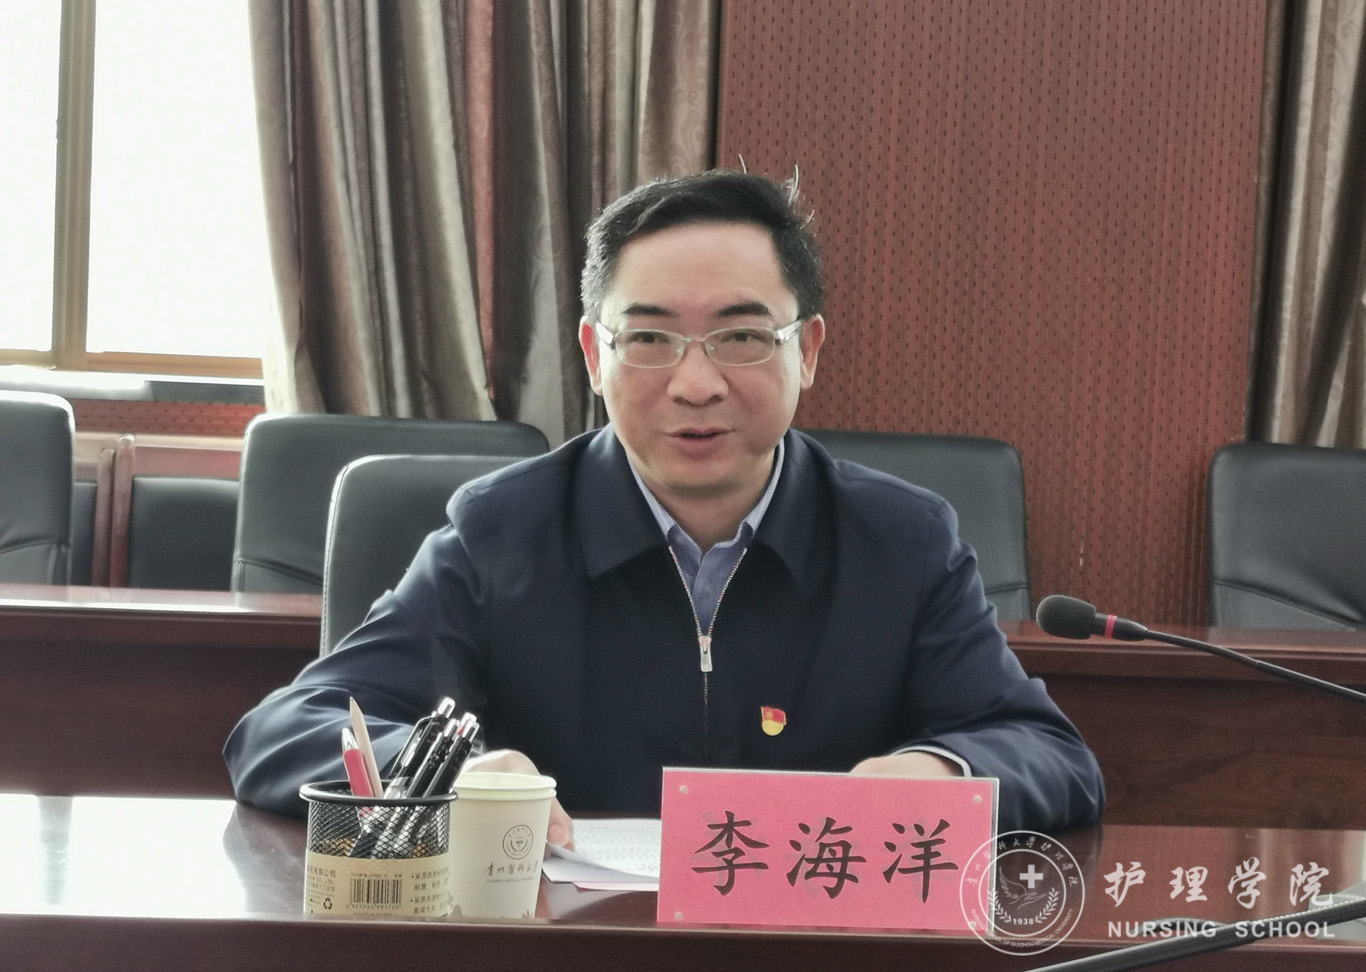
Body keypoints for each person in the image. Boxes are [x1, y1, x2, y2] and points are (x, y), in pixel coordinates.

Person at [225, 170, 1104, 843]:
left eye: (741, 337)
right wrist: (447, 776)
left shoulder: (901, 540)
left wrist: (944, 773)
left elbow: (1050, 754)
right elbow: (284, 729)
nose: (695, 383)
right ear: (593, 355)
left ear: (807, 351)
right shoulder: (502, 533)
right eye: (648, 337)